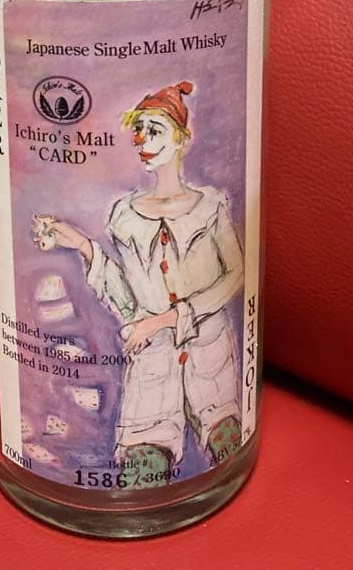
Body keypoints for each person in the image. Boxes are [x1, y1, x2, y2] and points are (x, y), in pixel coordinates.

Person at [34, 81, 244, 487]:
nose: (143, 140)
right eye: (139, 130)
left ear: (182, 139)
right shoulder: (124, 215)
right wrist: (83, 246)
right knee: (143, 467)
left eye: (155, 130)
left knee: (226, 445)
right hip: (152, 367)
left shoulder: (210, 208)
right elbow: (129, 305)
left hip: (211, 360)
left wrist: (168, 319)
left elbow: (234, 275)